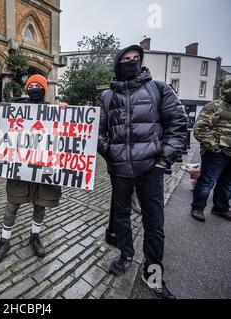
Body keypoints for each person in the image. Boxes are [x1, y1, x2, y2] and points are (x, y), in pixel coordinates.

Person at [97, 45, 187, 299]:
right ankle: (126, 254)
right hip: (119, 171)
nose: (132, 62)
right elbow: (98, 132)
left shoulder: (159, 88)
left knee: (154, 224)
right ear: (118, 63)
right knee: (121, 217)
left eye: (136, 58)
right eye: (126, 59)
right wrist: (111, 153)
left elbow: (178, 124)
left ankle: (153, 271)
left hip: (150, 170)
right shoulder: (106, 97)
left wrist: (163, 159)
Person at [0, 74, 63, 263]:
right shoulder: (15, 110)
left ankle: (35, 236)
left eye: (38, 86)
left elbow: (65, 133)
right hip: (20, 165)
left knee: (40, 203)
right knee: (12, 204)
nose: (34, 89)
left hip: (45, 165)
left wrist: (64, 111)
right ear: (26, 89)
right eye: (31, 86)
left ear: (44, 89)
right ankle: (4, 240)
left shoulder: (53, 110)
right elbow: (4, 136)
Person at [190, 79, 231, 222]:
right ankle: (197, 208)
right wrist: (214, 147)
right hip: (216, 154)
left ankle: (221, 208)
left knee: (227, 183)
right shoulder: (214, 106)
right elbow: (200, 129)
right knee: (207, 181)